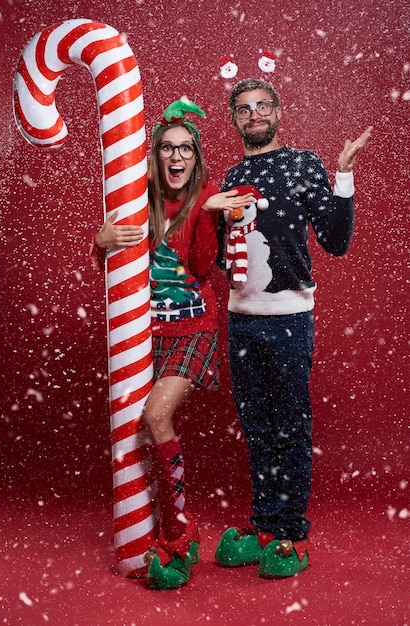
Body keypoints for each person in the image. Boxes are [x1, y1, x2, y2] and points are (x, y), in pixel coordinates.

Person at [204, 78, 372, 579]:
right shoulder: (230, 178)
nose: (253, 115)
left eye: (262, 106)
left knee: (290, 429)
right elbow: (217, 257)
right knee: (257, 431)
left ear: (277, 112)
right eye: (244, 109)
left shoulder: (302, 164)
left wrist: (342, 175)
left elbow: (336, 240)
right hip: (241, 320)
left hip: (288, 321)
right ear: (234, 120)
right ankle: (264, 526)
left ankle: (292, 535)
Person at [91, 99, 253, 590]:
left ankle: (180, 528)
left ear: (195, 155)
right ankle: (162, 525)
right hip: (145, 333)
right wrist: (100, 244)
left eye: (185, 147)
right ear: (155, 155)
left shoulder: (205, 196)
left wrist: (206, 213)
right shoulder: (136, 200)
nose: (177, 156)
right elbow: (116, 274)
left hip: (193, 330)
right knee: (136, 432)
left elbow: (204, 267)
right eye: (168, 148)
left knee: (155, 416)